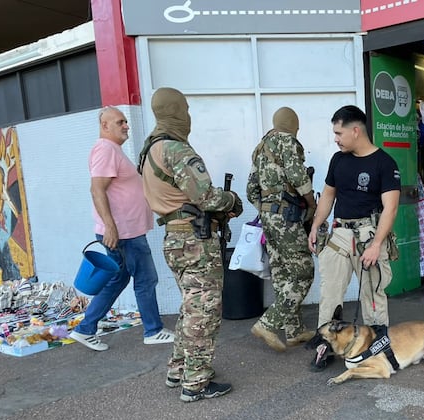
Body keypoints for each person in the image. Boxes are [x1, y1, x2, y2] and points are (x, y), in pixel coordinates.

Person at [138, 87, 243, 403]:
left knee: (191, 307)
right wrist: (233, 201)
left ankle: (178, 369)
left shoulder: (149, 149)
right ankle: (196, 383)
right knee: (204, 311)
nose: (188, 115)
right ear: (175, 111)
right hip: (195, 240)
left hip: (175, 237)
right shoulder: (176, 150)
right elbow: (207, 197)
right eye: (185, 108)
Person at [70, 106, 174, 352]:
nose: (126, 125)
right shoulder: (105, 149)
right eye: (120, 122)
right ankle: (153, 330)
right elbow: (97, 189)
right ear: (105, 125)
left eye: (126, 121)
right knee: (146, 279)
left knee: (118, 280)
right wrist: (110, 227)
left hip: (127, 231)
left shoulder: (112, 150)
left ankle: (86, 328)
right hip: (124, 232)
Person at [307, 105, 401, 371]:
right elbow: (327, 195)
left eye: (339, 133)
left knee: (372, 295)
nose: (335, 138)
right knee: (330, 293)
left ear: (355, 131)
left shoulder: (384, 163)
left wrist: (376, 244)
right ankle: (324, 347)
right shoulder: (338, 160)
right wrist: (316, 226)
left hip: (368, 234)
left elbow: (390, 208)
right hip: (339, 234)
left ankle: (376, 346)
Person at [246, 107, 316, 351]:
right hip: (287, 218)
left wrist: (267, 209)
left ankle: (294, 330)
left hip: (269, 218)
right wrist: (311, 203)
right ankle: (268, 323)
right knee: (303, 271)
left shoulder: (261, 148)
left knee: (283, 273)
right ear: (293, 125)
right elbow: (298, 177)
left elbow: (250, 190)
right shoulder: (287, 141)